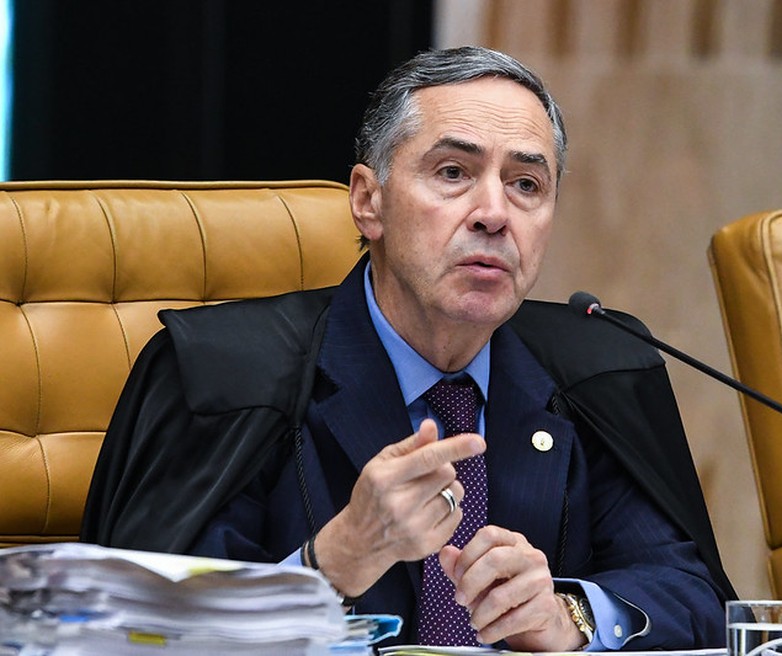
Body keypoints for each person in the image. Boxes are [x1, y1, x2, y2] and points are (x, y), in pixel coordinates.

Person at [81, 46, 733, 650]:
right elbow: (139, 628)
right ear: (369, 201)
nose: (493, 213)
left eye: (526, 185)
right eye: (454, 172)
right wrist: (332, 561)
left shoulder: (597, 372)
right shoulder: (224, 376)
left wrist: (568, 616)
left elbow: (693, 597)